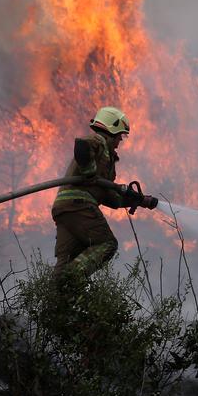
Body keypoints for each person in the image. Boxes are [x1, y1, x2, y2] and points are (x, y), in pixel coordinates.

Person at [50, 107, 157, 278]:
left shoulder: (106, 158)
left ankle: (58, 298)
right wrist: (89, 172)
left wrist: (136, 200)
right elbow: (81, 146)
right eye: (119, 136)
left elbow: (111, 199)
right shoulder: (98, 140)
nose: (119, 142)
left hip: (64, 209)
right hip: (80, 205)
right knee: (107, 244)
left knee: (67, 260)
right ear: (112, 130)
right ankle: (71, 279)